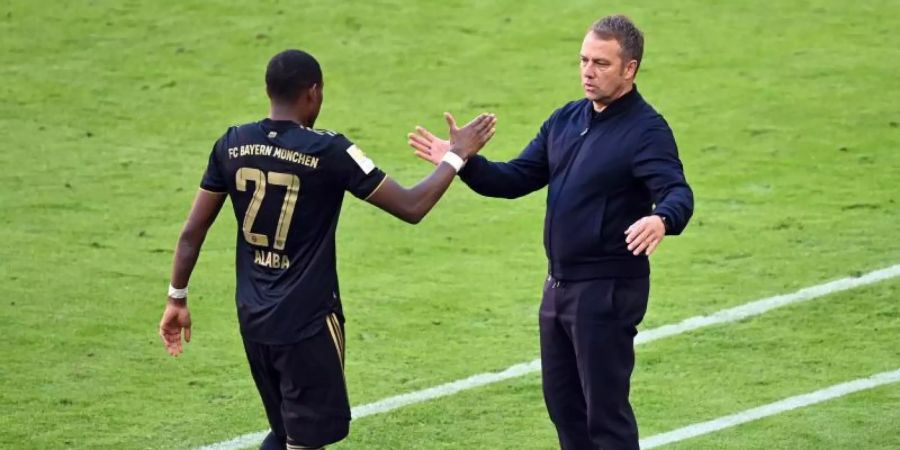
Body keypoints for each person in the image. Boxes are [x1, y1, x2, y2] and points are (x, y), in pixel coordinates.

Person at [158, 49, 496, 450]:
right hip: (307, 325)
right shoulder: (329, 150)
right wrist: (458, 155)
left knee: (286, 433)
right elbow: (411, 206)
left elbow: (192, 231)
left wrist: (176, 297)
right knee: (303, 440)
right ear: (313, 93)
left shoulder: (231, 144)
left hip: (254, 320)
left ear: (269, 91)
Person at [408, 15, 693, 450]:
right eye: (583, 60)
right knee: (565, 411)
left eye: (601, 63)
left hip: (607, 290)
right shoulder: (566, 119)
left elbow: (676, 190)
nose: (588, 71)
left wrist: (662, 219)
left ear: (630, 69)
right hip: (558, 289)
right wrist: (460, 159)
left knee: (606, 419)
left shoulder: (646, 131)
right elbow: (514, 178)